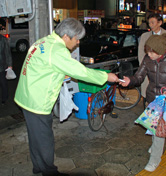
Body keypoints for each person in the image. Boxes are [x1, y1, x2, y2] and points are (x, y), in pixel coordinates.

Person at [14, 18, 119, 176]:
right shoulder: (58, 50)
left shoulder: (43, 41)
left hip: (26, 96)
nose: (77, 43)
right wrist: (105, 76)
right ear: (66, 36)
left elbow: (39, 66)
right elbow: (81, 72)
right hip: (36, 101)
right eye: (76, 39)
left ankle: (38, 167)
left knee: (35, 136)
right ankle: (49, 172)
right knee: (44, 139)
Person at [120, 33, 166, 172]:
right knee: (154, 128)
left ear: (160, 50)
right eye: (148, 51)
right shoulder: (147, 59)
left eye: (152, 52)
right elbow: (139, 76)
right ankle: (157, 146)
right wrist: (130, 81)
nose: (149, 54)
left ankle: (155, 159)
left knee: (159, 131)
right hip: (153, 99)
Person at [138, 13, 166, 108]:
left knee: (165, 106)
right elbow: (141, 54)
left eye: (153, 22)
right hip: (150, 73)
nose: (151, 25)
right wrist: (145, 67)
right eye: (149, 23)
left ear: (160, 23)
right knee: (149, 99)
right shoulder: (145, 36)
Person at [0, 34, 12, 105]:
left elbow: (7, 53)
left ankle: (4, 98)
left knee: (3, 83)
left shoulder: (3, 39)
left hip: (2, 65)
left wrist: (9, 64)